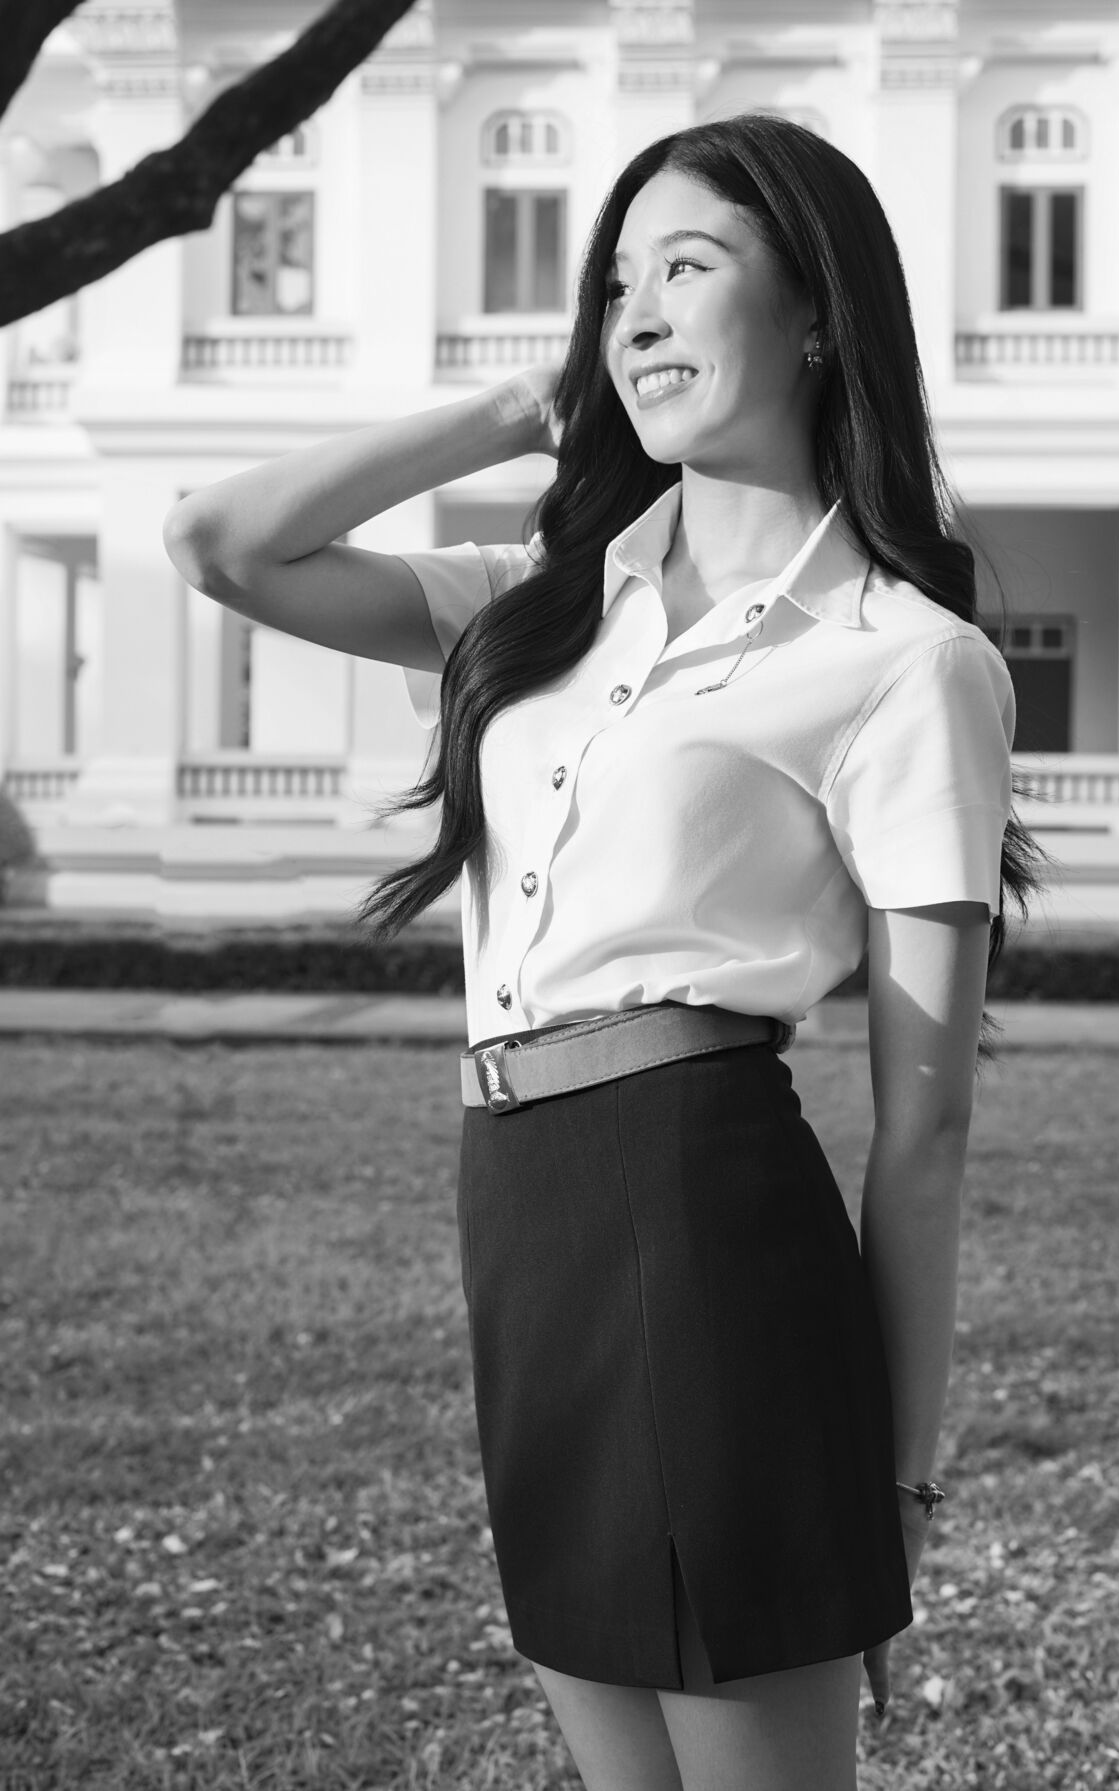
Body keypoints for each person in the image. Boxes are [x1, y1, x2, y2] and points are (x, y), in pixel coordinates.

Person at [165, 112, 1041, 1791]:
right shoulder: (543, 600)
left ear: (816, 313)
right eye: (614, 285)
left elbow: (925, 1127)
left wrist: (900, 1481)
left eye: (687, 269)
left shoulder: (905, 661)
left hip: (707, 1224)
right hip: (521, 1210)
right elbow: (220, 542)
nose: (637, 315)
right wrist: (519, 403)